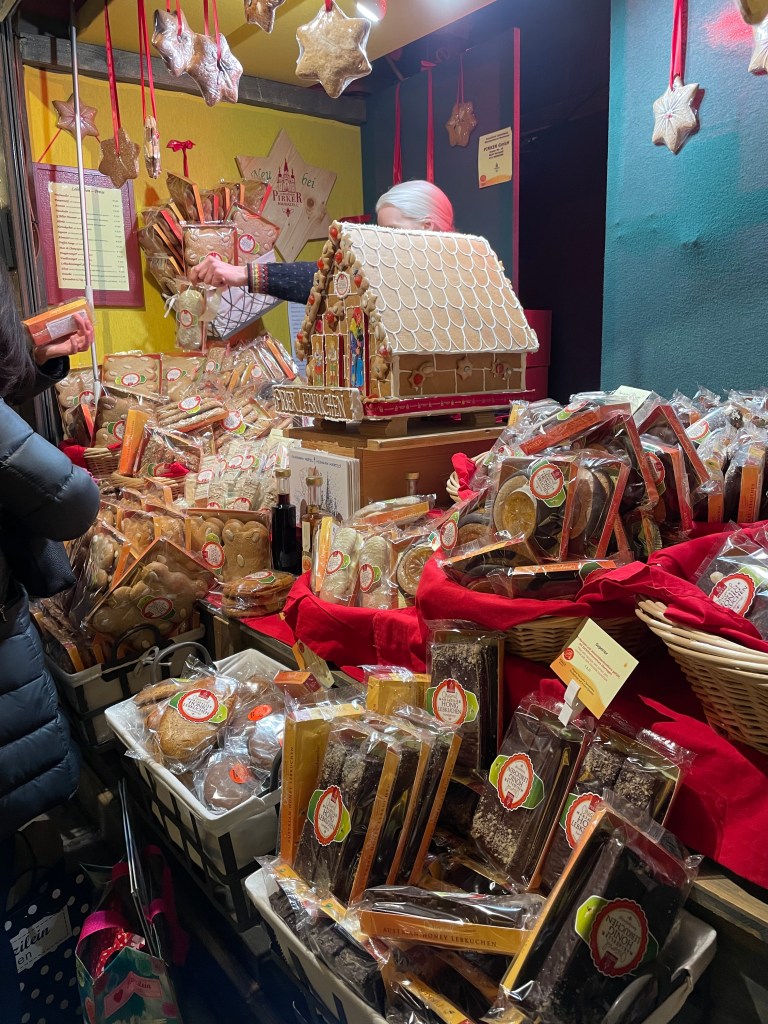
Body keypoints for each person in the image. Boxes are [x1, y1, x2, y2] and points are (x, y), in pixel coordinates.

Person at [189, 179, 455, 305]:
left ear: (426, 227)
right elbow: (327, 278)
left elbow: (326, 280)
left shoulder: (458, 278)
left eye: (393, 229)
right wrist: (244, 274)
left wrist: (243, 273)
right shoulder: (391, 271)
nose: (383, 239)